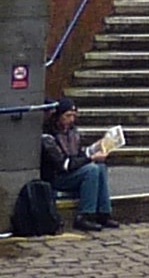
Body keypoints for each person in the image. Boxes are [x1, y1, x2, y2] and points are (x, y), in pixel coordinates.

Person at [39, 97, 118, 232]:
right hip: (58, 176)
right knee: (92, 170)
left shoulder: (73, 132)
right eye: (68, 115)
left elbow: (80, 154)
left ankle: (104, 212)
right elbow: (64, 164)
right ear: (58, 116)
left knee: (100, 167)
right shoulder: (48, 136)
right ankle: (85, 215)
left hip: (73, 171)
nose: (71, 119)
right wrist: (90, 158)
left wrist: (96, 147)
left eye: (73, 116)